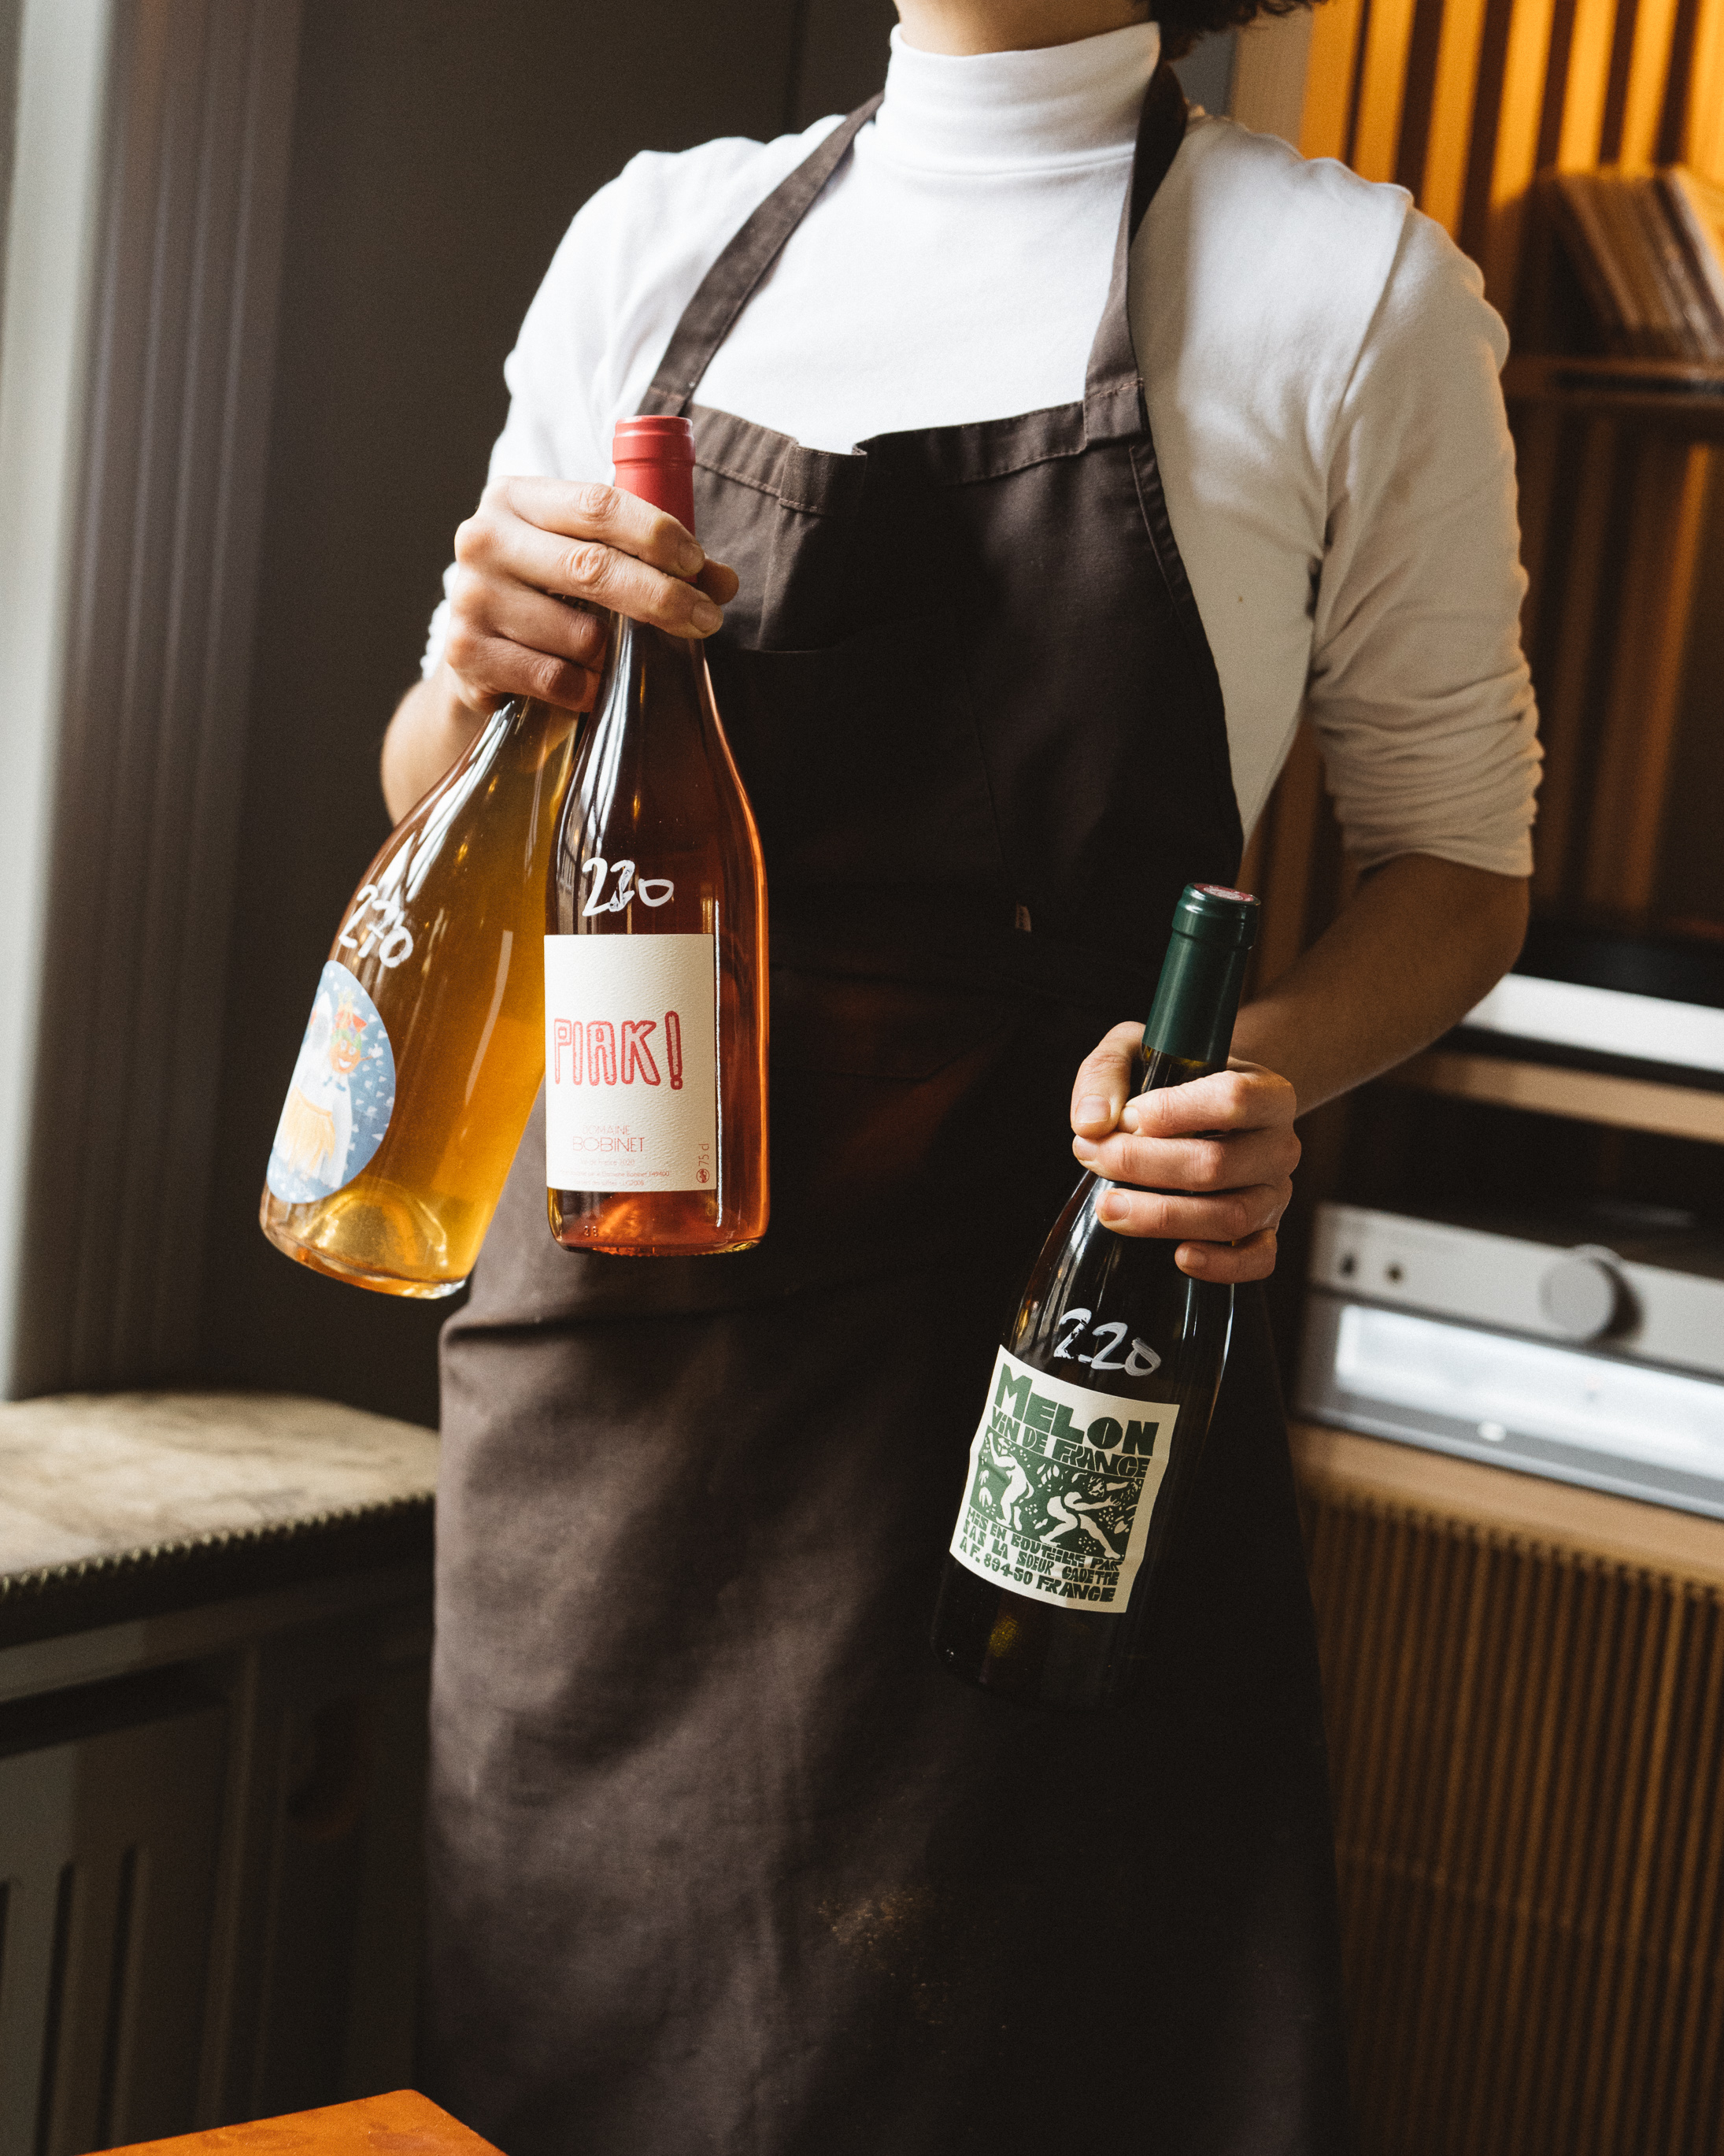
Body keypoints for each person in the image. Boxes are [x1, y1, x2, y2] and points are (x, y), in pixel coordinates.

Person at [386, 2, 1539, 2149]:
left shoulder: (1353, 291)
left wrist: (1244, 1081)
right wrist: (471, 672)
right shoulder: (662, 236)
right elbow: (444, 800)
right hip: (612, 1406)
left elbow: (1460, 871)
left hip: (1025, 1393)